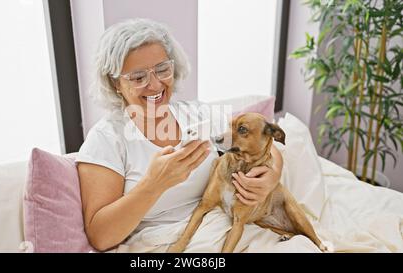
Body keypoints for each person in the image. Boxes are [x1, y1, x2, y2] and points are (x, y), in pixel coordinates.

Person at [75, 18, 283, 252]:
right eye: (137, 77)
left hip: (226, 227)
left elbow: (265, 142)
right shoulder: (107, 139)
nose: (155, 85)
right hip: (166, 243)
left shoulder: (197, 114)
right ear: (115, 83)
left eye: (162, 69)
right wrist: (154, 184)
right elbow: (101, 237)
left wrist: (272, 176)